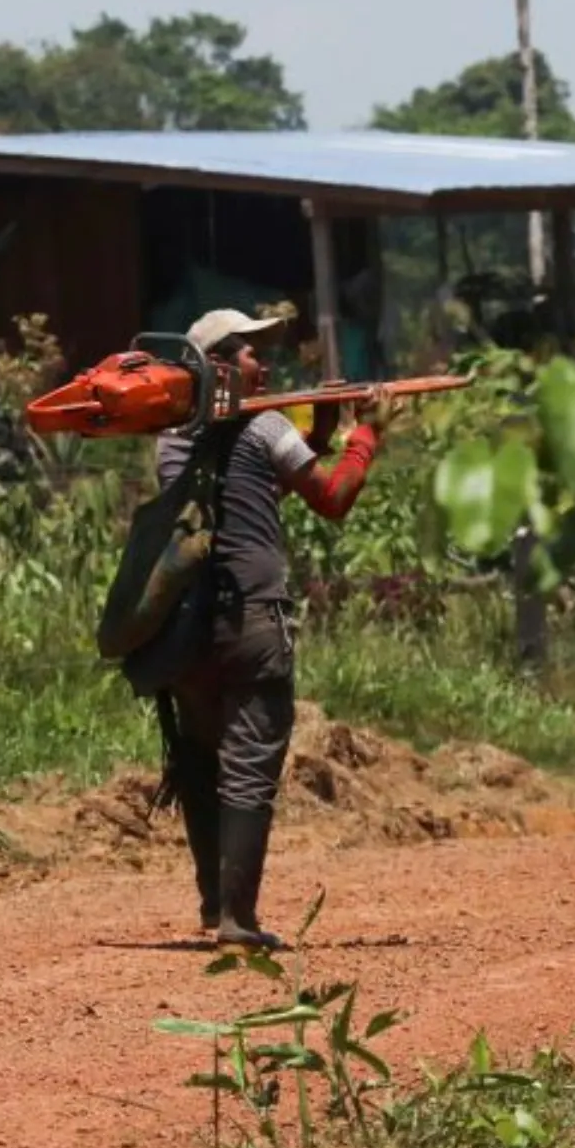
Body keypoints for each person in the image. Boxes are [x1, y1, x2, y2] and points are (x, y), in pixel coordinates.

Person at [152, 307, 396, 949]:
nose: (269, 363)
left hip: (189, 631)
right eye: (254, 353)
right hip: (254, 623)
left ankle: (214, 906)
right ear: (223, 366)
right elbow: (333, 498)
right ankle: (238, 919)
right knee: (249, 767)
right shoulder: (264, 425)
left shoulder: (171, 437)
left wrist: (313, 435)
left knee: (201, 764)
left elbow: (250, 491)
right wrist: (364, 435)